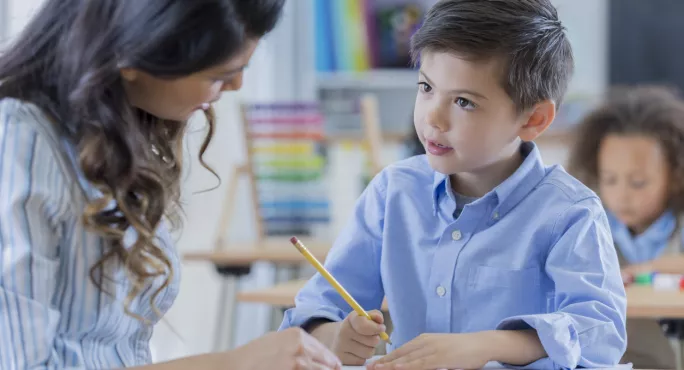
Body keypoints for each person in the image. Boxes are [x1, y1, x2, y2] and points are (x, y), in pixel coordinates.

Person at [279, 0, 627, 369]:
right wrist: (332, 335)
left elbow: (600, 332)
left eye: (464, 101)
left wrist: (490, 346)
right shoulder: (392, 193)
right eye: (426, 87)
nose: (433, 117)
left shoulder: (569, 213)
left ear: (533, 118)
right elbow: (318, 308)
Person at [0, 1, 342, 369]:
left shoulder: (112, 139)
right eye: (217, 75)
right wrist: (229, 364)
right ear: (129, 55)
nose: (236, 85)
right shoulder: (19, 141)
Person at [568, 85, 684, 369]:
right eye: (610, 180)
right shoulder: (591, 225)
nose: (622, 196)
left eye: (638, 182)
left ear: (675, 176)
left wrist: (648, 269)